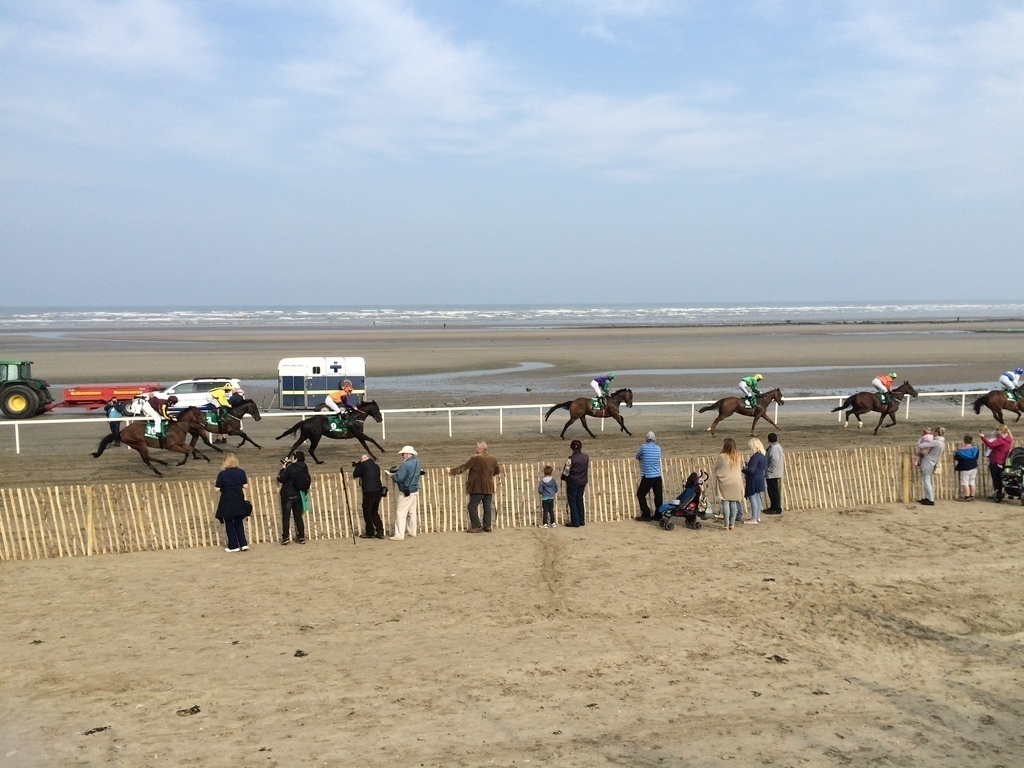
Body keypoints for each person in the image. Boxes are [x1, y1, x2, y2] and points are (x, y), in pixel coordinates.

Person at [446, 441, 502, 533]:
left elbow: (463, 468)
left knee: (472, 506)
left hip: (478, 487)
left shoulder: (475, 458)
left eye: (476, 448)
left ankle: (477, 526)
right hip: (489, 486)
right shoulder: (493, 458)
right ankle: (487, 526)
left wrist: (451, 471)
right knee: (487, 507)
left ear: (479, 449)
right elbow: (497, 471)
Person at [214, 453, 249, 553]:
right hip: (238, 498)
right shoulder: (241, 472)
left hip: (227, 499)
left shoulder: (222, 474)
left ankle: (233, 545)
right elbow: (245, 486)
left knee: (229, 522)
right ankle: (243, 544)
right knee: (239, 521)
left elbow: (217, 489)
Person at [387, 446, 421, 540]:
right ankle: (412, 532)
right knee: (412, 512)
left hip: (406, 490)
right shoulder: (417, 462)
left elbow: (399, 478)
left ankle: (399, 535)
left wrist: (393, 476)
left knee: (400, 513)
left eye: (403, 454)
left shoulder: (405, 464)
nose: (402, 455)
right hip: (414, 489)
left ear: (407, 454)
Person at [277, 450, 311, 544]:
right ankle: (301, 537)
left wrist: (283, 468)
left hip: (288, 494)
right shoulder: (305, 467)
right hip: (299, 494)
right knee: (298, 517)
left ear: (295, 458)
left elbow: (281, 478)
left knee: (286, 516)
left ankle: (285, 537)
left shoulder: (291, 467)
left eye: (293, 457)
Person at [713, 438, 744, 530]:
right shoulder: (738, 456)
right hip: (736, 482)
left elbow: (716, 467)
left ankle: (726, 524)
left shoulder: (722, 456)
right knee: (733, 502)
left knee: (725, 502)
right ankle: (732, 524)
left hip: (725, 481)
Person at [353, 453, 385, 539]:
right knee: (374, 511)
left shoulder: (363, 465)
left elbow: (355, 474)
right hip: (378, 491)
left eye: (361, 459)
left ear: (364, 459)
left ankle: (370, 532)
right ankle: (380, 531)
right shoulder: (376, 466)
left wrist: (358, 465)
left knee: (367, 512)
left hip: (368, 491)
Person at [634, 431, 663, 521]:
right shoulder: (658, 448)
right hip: (657, 475)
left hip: (648, 476)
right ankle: (658, 514)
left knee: (640, 494)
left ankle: (646, 513)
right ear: (654, 440)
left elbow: (637, 456)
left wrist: (643, 458)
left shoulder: (643, 447)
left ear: (646, 439)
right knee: (658, 496)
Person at [979, 425, 1014, 502]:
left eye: (998, 430)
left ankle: (998, 493)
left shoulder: (1001, 440)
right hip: (1002, 461)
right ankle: (1001, 493)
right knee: (1001, 478)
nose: (996, 431)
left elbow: (990, 444)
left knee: (996, 479)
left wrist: (983, 437)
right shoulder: (1008, 439)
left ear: (1002, 431)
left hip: (996, 461)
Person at [562, 439, 590, 527]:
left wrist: (563, 477)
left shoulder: (571, 459)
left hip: (573, 481)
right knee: (579, 500)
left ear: (572, 448)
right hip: (582, 481)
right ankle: (581, 520)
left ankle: (575, 521)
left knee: (572, 501)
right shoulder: (586, 457)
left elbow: (566, 471)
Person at [918, 427, 945, 506]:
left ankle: (931, 499)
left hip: (928, 461)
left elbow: (921, 445)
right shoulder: (942, 442)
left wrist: (921, 438)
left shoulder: (936, 442)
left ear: (936, 433)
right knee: (927, 480)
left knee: (927, 481)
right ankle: (927, 497)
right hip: (933, 461)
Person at [742, 437, 767, 525]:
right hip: (760, 477)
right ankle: (757, 516)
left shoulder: (755, 457)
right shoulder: (762, 455)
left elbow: (751, 470)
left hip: (754, 478)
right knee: (757, 497)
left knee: (752, 497)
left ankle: (754, 518)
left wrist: (743, 469)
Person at [954, 435, 980, 502]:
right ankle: (972, 496)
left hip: (965, 468)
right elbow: (977, 457)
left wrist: (962, 447)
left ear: (964, 441)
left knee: (965, 482)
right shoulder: (975, 449)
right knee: (972, 481)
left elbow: (956, 457)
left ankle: (967, 496)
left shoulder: (961, 451)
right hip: (974, 467)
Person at [764, 433, 785, 515]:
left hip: (773, 473)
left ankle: (776, 508)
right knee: (773, 490)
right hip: (775, 472)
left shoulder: (774, 448)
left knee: (773, 491)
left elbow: (775, 459)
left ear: (768, 439)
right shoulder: (777, 446)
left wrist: (770, 469)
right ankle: (773, 507)